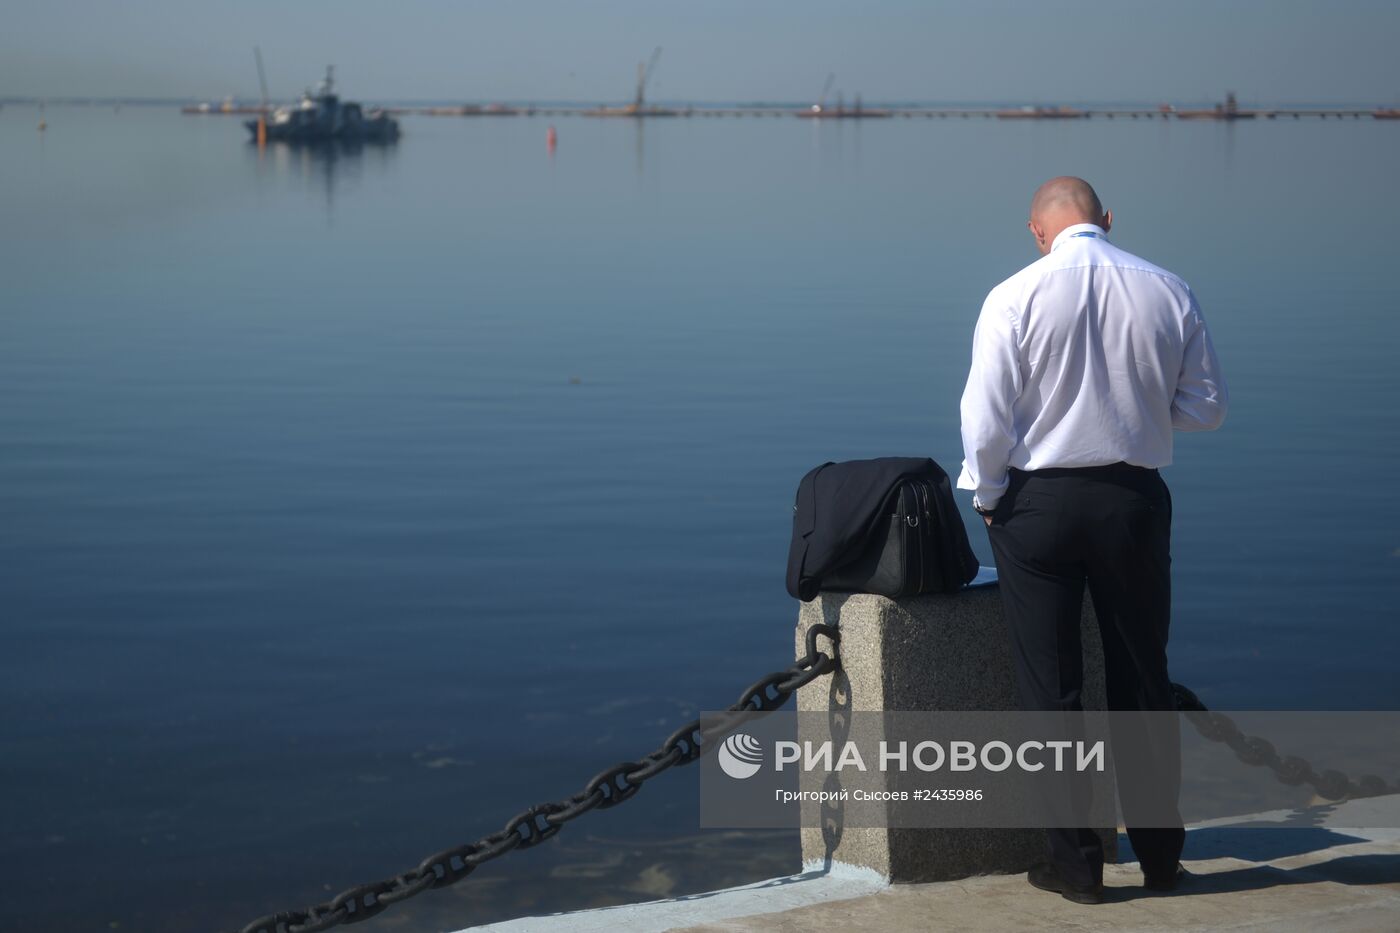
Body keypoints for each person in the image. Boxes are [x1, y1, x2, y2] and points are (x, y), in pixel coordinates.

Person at [956, 177, 1228, 903]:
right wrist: (1138, 409)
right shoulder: (1168, 288)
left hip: (1037, 504)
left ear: (1037, 231)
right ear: (1107, 221)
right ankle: (1162, 857)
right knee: (1142, 674)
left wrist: (988, 497)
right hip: (1134, 501)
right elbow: (1207, 409)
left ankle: (1076, 867)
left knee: (1054, 688)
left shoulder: (1012, 295)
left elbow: (984, 421)